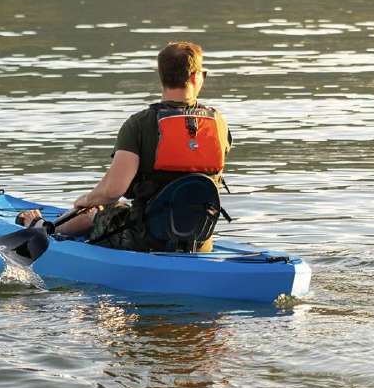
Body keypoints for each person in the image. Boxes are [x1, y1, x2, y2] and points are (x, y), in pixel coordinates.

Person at [16, 41, 231, 251]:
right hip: (200, 242)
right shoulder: (219, 124)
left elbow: (113, 191)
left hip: (143, 242)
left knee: (97, 210)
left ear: (162, 77)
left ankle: (38, 227)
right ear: (195, 77)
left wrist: (87, 200)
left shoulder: (140, 124)